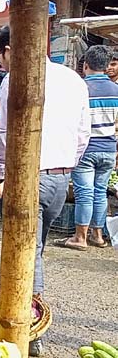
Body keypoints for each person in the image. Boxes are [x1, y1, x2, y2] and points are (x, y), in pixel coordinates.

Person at [0, 25, 90, 357]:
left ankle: (30, 329)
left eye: (0, 56)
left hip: (27, 177)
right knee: (36, 247)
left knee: (27, 252)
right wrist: (66, 165)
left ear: (7, 51)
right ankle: (28, 320)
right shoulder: (74, 80)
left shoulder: (12, 79)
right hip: (60, 179)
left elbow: (5, 135)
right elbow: (82, 135)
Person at [53, 45, 118, 251]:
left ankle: (80, 237)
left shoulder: (79, 88)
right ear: (107, 66)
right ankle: (97, 235)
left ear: (85, 65)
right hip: (109, 147)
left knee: (84, 193)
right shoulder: (116, 90)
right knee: (100, 192)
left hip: (86, 148)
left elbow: (69, 120)